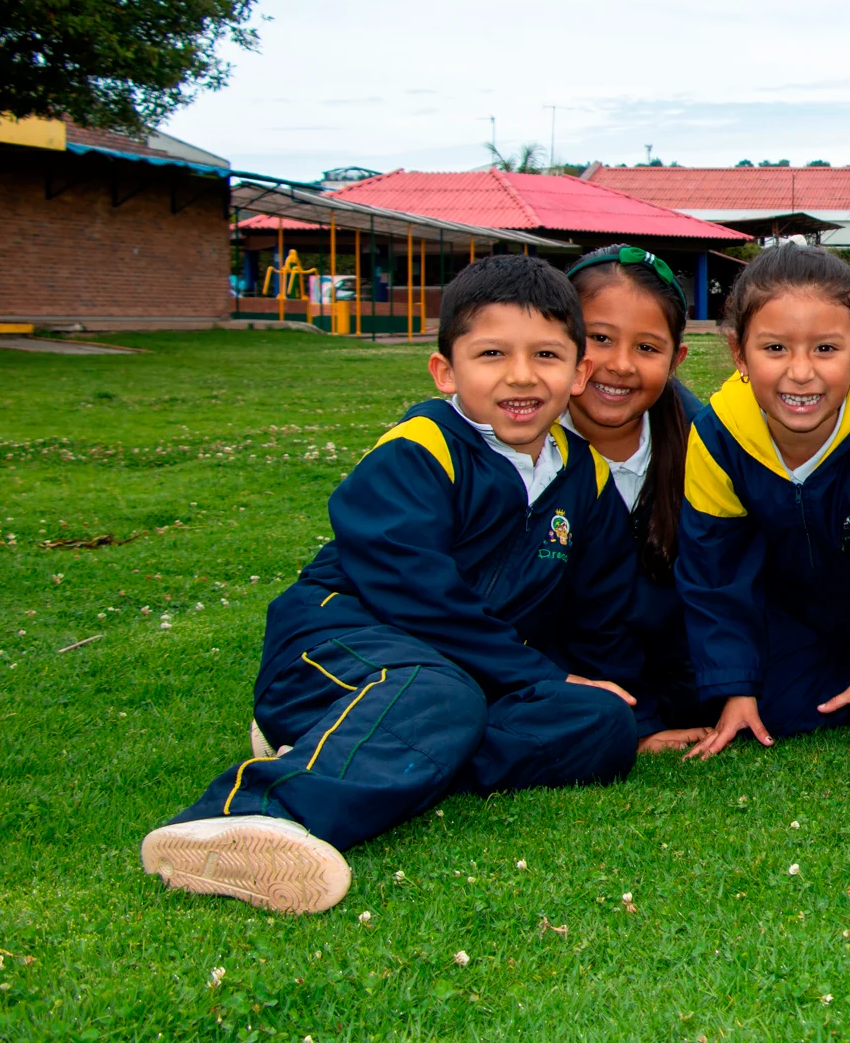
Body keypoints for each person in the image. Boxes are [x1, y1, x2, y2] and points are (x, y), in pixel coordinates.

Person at [141, 256, 655, 914]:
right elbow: (415, 592)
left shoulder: (585, 477)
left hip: (463, 677)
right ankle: (245, 817)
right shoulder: (421, 447)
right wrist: (537, 674)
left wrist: (630, 701)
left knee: (601, 723)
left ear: (578, 371)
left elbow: (602, 615)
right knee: (441, 693)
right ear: (447, 370)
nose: (522, 376)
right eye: (492, 353)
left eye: (548, 354)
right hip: (341, 639)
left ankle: (351, 746)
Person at [676, 244, 850, 759]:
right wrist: (735, 688)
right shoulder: (716, 435)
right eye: (775, 348)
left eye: (825, 349)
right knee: (780, 715)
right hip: (786, 619)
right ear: (739, 354)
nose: (800, 373)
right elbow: (714, 573)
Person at [558, 245, 719, 750]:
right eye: (599, 339)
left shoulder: (704, 445)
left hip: (662, 659)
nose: (620, 365)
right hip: (553, 660)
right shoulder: (515, 442)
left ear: (677, 359)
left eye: (648, 348)